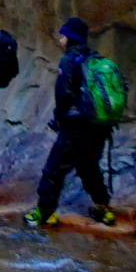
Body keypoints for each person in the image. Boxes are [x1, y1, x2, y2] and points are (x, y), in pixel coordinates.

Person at [24, 17, 116, 227]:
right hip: (99, 126)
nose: (61, 40)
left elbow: (63, 94)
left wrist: (58, 120)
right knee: (89, 166)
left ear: (71, 38)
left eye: (63, 35)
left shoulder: (69, 60)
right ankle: (104, 208)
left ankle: (44, 212)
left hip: (76, 125)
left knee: (53, 169)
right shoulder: (94, 58)